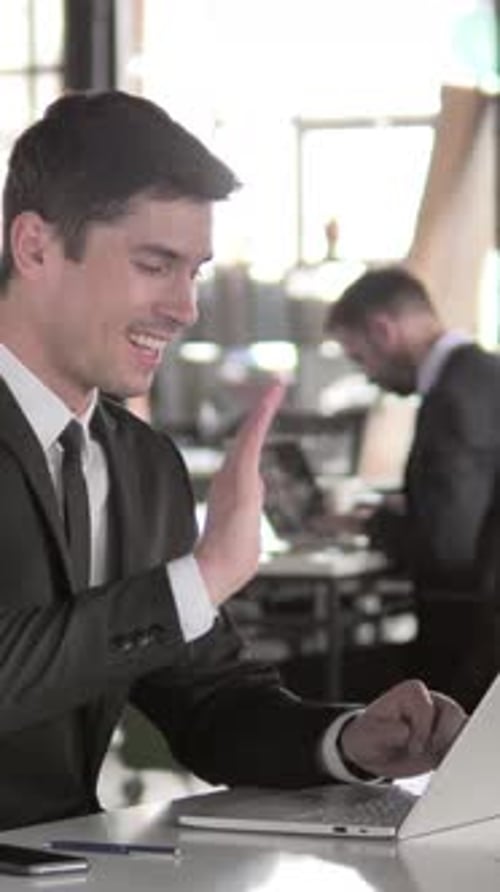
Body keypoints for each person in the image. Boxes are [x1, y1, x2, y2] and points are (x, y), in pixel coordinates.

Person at [0, 92, 465, 831]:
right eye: (156, 265)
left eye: (195, 272)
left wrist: (348, 740)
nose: (185, 307)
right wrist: (205, 572)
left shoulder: (140, 461)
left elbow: (206, 698)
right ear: (36, 247)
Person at [325, 265, 500, 711]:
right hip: (478, 640)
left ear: (383, 331)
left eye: (359, 357)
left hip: (463, 659)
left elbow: (450, 549)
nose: (366, 376)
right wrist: (411, 504)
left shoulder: (453, 400)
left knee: (298, 684)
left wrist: (375, 527)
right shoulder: (484, 376)